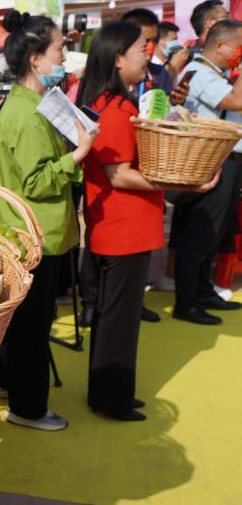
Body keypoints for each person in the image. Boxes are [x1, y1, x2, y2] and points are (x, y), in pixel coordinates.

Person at [77, 23, 219, 421]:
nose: (148, 55)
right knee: (118, 318)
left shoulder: (111, 103)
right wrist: (179, 181)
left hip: (123, 224)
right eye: (142, 48)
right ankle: (111, 399)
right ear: (118, 57)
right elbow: (118, 173)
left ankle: (108, 392)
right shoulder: (114, 108)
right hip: (123, 226)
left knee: (115, 316)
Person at [0, 11, 95, 431]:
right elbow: (37, 180)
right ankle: (27, 408)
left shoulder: (31, 104)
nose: (65, 56)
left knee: (18, 321)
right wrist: (77, 155)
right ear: (35, 59)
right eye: (59, 49)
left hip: (24, 233)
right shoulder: (28, 114)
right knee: (30, 328)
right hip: (33, 237)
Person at [171, 19, 242, 324]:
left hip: (225, 158)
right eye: (239, 46)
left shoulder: (214, 73)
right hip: (215, 159)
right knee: (200, 233)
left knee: (213, 232)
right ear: (220, 46)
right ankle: (186, 303)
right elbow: (236, 101)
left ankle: (201, 291)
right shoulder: (200, 72)